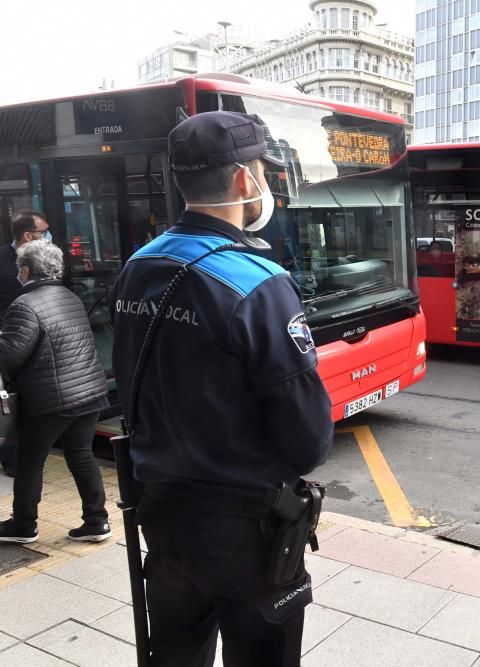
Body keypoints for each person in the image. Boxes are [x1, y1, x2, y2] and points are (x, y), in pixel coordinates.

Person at [110, 111, 333, 666]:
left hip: (161, 510)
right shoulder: (258, 283)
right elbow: (309, 440)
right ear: (242, 178)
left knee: (176, 652)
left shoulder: (138, 266)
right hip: (244, 527)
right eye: (263, 169)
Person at [0, 240, 111, 543]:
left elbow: (9, 355)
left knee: (30, 460)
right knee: (82, 456)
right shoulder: (69, 296)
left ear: (26, 270)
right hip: (88, 392)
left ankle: (23, 525)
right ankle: (97, 521)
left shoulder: (24, 305)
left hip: (51, 400)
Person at [0, 210, 52, 476]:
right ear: (28, 235)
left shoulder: (43, 258)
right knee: (10, 402)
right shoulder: (2, 261)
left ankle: (32, 453)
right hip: (10, 343)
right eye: (44, 232)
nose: (48, 237)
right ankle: (12, 460)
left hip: (39, 343)